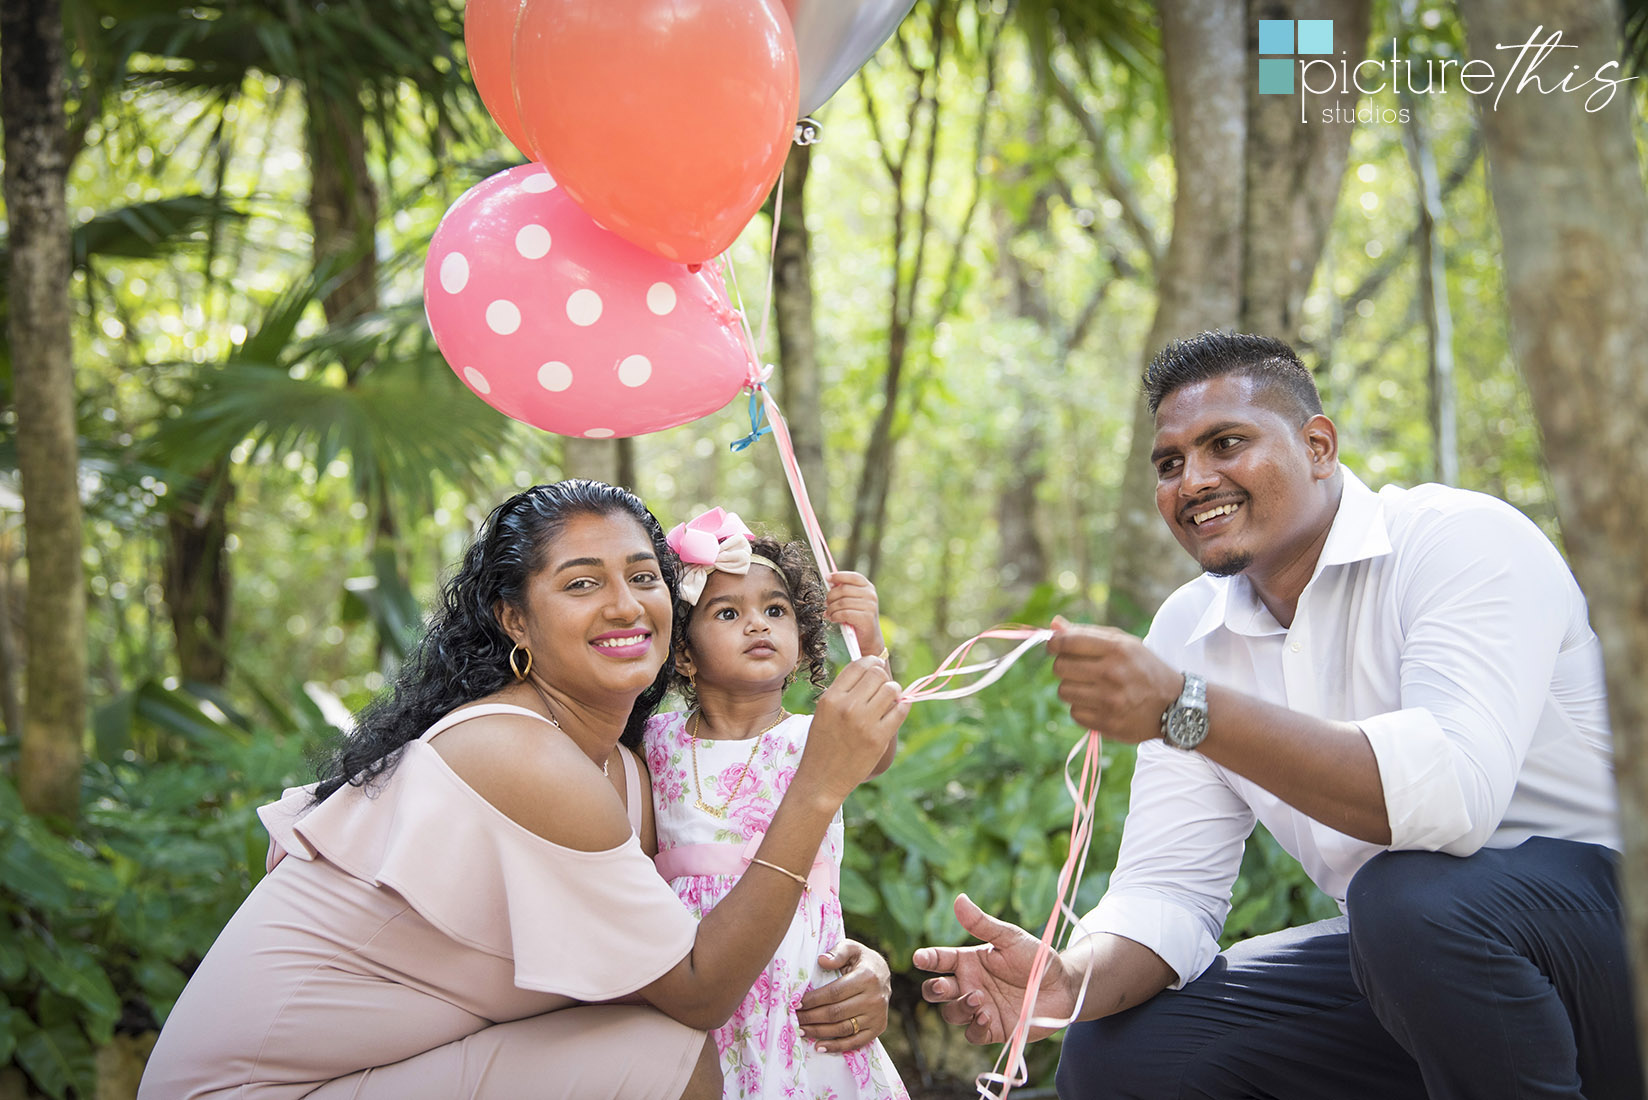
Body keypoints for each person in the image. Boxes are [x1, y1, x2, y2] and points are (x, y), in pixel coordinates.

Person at [914, 332, 1640, 1100]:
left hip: (1614, 944)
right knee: (1124, 1054)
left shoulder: (1461, 541)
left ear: (1319, 446)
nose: (1193, 480)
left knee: (1407, 901)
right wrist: (1067, 981)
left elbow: (1452, 798)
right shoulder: (1188, 632)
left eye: (1225, 443)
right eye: (1169, 464)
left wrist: (1182, 709)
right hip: (1425, 970)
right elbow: (1170, 891)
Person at [139, 480, 908, 1100]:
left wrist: (840, 970)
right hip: (261, 1089)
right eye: (582, 583)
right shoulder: (520, 753)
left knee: (652, 1045)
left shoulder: (626, 770)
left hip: (394, 1068)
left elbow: (665, 952)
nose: (624, 603)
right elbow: (698, 993)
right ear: (516, 619)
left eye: (643, 577)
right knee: (662, 1060)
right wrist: (815, 791)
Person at [642, 506, 909, 1099]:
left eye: (775, 610)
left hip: (801, 994)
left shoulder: (816, 738)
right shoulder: (656, 743)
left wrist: (869, 638)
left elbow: (879, 742)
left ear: (801, 641)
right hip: (698, 975)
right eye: (728, 612)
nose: (757, 624)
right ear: (683, 654)